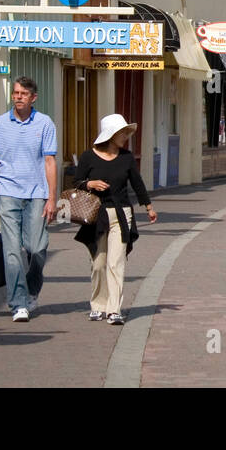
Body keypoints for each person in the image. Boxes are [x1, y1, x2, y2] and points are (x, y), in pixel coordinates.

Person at [0, 77, 58, 322]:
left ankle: (32, 290)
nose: (18, 97)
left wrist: (51, 198)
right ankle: (18, 303)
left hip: (37, 193)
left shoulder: (45, 123)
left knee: (36, 248)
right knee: (12, 251)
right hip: (7, 193)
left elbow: (49, 162)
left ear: (33, 97)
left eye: (24, 93)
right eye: (15, 93)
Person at [74, 114, 157, 325]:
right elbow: (76, 183)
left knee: (116, 262)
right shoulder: (88, 157)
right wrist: (90, 184)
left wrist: (148, 207)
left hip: (121, 214)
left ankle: (114, 310)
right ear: (110, 135)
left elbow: (137, 183)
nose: (126, 136)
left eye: (126, 132)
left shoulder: (127, 157)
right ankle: (98, 305)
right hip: (96, 215)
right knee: (99, 263)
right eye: (122, 133)